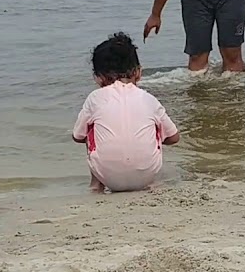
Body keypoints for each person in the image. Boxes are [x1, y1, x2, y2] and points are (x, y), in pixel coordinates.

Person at [72, 33, 181, 193]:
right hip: (145, 177)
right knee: (155, 127)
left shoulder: (94, 98)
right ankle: (151, 180)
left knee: (92, 130)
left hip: (107, 177)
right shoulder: (149, 98)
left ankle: (96, 185)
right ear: (138, 72)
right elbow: (174, 138)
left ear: (98, 78)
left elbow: (78, 136)